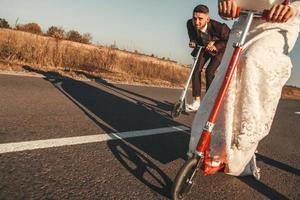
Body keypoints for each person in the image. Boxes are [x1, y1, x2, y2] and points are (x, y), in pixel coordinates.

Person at [188, 0, 300, 179]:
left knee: (252, 60)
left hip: (280, 22)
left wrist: (293, 8)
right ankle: (217, 146)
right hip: (247, 17)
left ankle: (244, 146)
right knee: (228, 73)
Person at [186, 4, 231, 112]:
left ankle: (209, 101)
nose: (196, 22)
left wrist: (215, 45)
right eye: (194, 18)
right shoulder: (190, 23)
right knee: (196, 70)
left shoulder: (219, 27)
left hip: (220, 50)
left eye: (200, 19)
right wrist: (193, 42)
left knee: (209, 72)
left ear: (208, 18)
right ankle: (196, 102)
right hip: (204, 48)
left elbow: (229, 39)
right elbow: (193, 37)